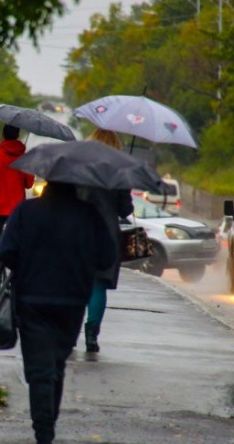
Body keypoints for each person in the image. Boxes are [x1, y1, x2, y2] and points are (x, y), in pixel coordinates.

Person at [0, 181, 115, 444]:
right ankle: (47, 430)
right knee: (56, 365)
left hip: (32, 299)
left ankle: (44, 437)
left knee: (39, 370)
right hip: (72, 302)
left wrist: (28, 263)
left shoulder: (26, 211)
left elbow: (5, 252)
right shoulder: (89, 215)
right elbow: (107, 257)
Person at [79, 128, 134, 353]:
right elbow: (125, 209)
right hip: (107, 234)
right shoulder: (119, 169)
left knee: (74, 282)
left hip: (79, 229)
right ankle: (92, 334)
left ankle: (69, 331)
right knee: (98, 284)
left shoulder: (81, 166)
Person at [0, 124, 34, 277]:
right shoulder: (24, 159)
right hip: (17, 210)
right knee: (17, 243)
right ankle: (15, 276)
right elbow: (29, 184)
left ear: (3, 136)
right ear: (18, 136)